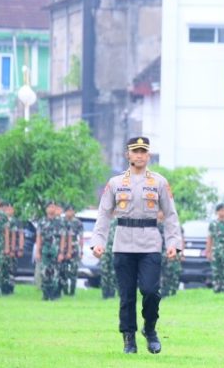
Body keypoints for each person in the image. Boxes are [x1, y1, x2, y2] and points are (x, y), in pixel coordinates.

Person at [91, 136, 182, 354]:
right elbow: (104, 214)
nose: (139, 155)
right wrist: (98, 241)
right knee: (127, 295)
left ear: (148, 155)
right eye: (135, 151)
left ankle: (149, 329)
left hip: (150, 243)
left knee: (150, 291)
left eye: (143, 151)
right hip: (123, 244)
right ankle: (129, 338)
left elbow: (170, 214)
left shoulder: (159, 182)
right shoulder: (115, 183)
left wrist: (173, 242)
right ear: (128, 155)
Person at [35, 200, 66, 301]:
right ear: (46, 209)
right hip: (44, 251)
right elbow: (39, 237)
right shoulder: (42, 222)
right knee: (44, 272)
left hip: (55, 251)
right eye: (49, 207)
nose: (51, 209)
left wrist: (61, 252)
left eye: (53, 207)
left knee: (55, 273)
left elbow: (63, 238)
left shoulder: (60, 223)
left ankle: (53, 294)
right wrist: (37, 252)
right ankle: (45, 294)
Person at [207, 203, 224, 292]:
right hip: (216, 250)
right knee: (216, 270)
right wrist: (208, 251)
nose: (223, 212)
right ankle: (217, 288)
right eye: (221, 210)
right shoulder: (213, 224)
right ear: (217, 212)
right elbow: (210, 238)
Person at [63, 204, 83, 296]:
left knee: (74, 271)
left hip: (74, 249)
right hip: (63, 249)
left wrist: (81, 251)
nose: (70, 213)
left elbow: (81, 237)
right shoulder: (62, 222)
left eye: (71, 211)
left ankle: (72, 291)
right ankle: (65, 290)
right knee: (63, 270)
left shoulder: (78, 223)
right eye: (68, 211)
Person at [100, 218, 118, 299]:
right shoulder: (103, 221)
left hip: (115, 249)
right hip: (104, 249)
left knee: (113, 272)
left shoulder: (117, 221)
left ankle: (112, 293)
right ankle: (105, 294)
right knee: (104, 271)